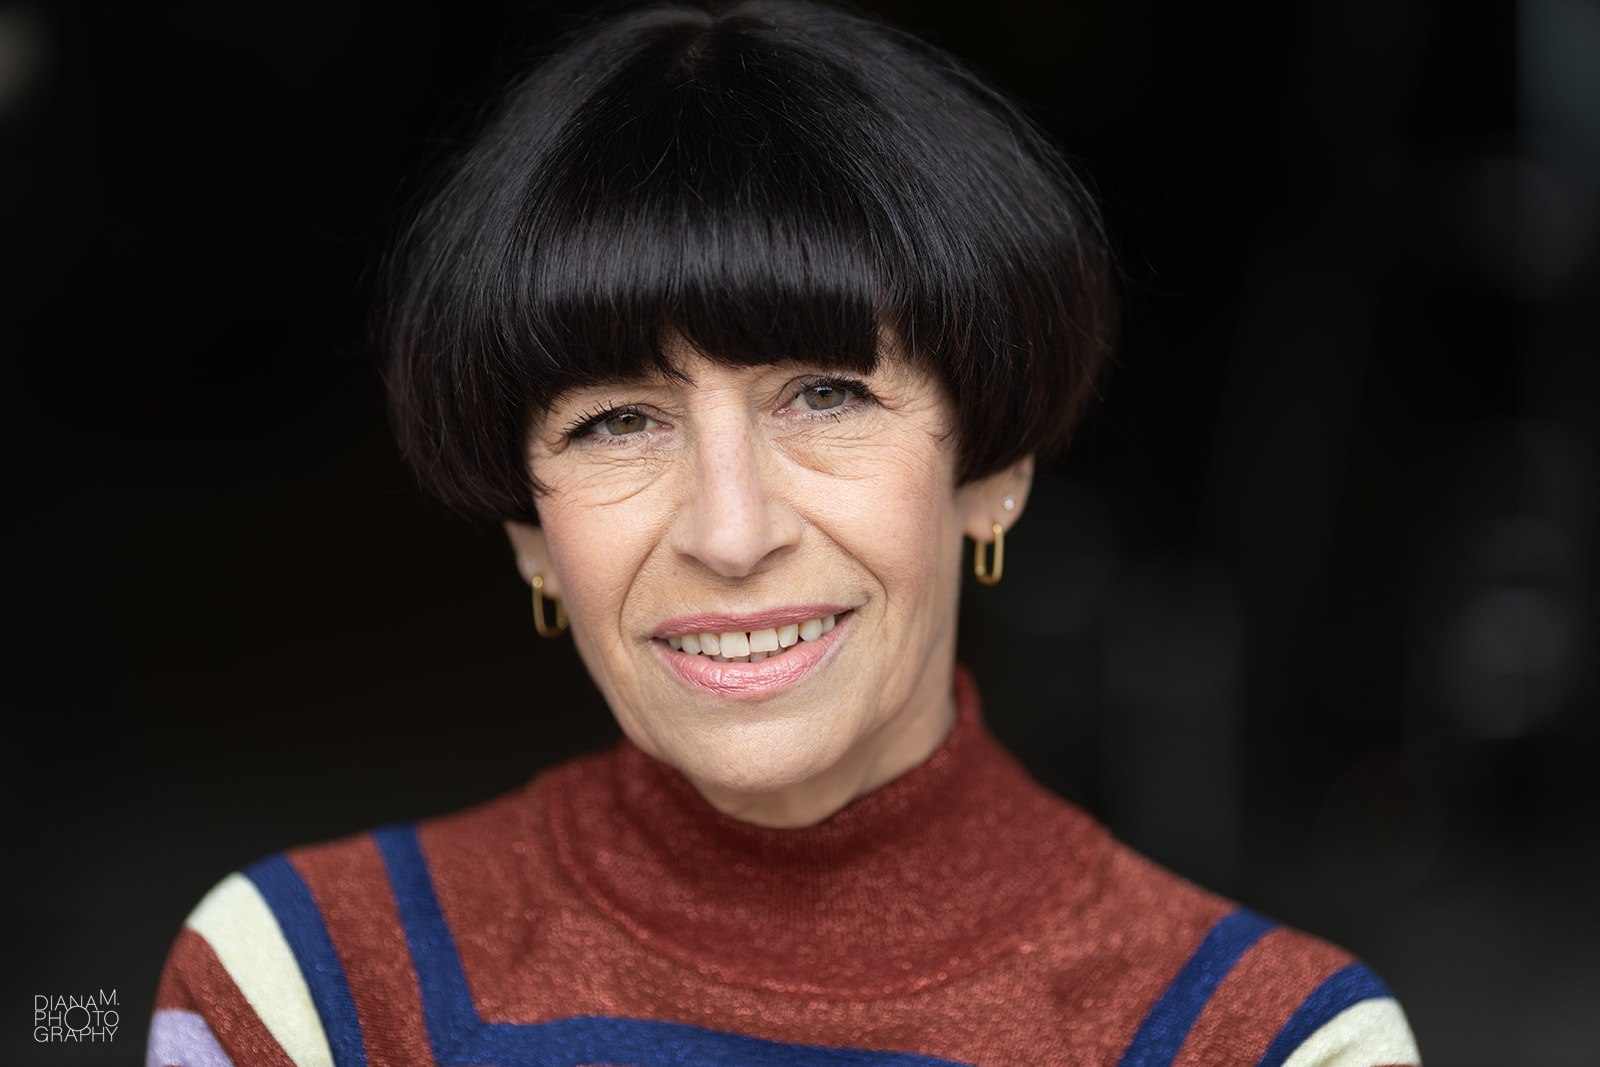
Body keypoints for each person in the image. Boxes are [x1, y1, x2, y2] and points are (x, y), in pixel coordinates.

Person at [145, 1, 1422, 1064]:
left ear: (990, 474)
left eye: (826, 395)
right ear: (532, 535)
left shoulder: (1268, 1037)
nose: (730, 530)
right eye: (616, 422)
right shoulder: (307, 982)